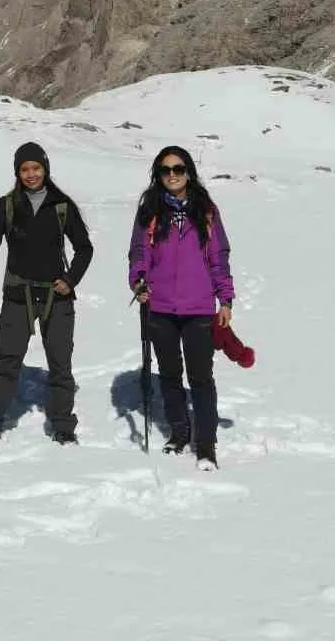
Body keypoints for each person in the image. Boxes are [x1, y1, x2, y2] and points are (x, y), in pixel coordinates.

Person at [0, 141, 92, 447]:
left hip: (56, 298)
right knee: (7, 360)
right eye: (24, 169)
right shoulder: (7, 205)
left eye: (36, 168)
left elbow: (84, 248)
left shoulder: (62, 205)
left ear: (45, 168)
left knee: (60, 363)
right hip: (18, 294)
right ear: (17, 172)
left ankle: (63, 425)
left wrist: (71, 280)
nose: (31, 175)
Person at [127, 145, 235, 469]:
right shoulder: (150, 209)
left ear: (189, 172)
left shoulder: (205, 210)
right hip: (159, 306)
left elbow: (219, 257)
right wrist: (138, 281)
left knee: (201, 377)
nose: (172, 175)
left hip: (199, 307)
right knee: (170, 375)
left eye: (178, 169)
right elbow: (138, 254)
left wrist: (225, 299)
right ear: (158, 175)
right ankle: (179, 432)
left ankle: (206, 443)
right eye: (166, 170)